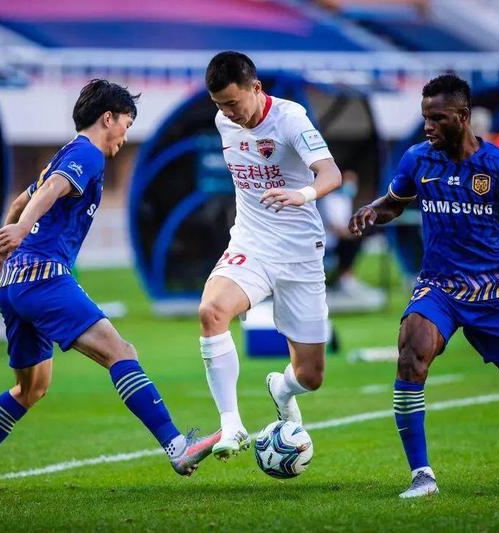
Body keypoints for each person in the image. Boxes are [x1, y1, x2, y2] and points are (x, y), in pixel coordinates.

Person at [0, 79, 219, 494]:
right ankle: (177, 446)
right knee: (121, 353)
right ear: (107, 118)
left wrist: (4, 250)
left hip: (14, 283)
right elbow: (52, 190)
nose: (124, 135)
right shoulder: (87, 153)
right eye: (126, 124)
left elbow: (22, 200)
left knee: (30, 388)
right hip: (43, 276)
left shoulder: (66, 153)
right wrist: (20, 230)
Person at [349, 74, 499, 499]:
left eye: (438, 118)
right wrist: (372, 210)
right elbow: (394, 203)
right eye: (425, 117)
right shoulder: (417, 159)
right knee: (411, 353)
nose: (428, 126)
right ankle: (422, 476)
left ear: (463, 117)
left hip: (493, 296)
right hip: (439, 288)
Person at [200, 51, 342, 459]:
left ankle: (281, 388)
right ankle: (232, 425)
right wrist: (227, 112)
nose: (228, 113)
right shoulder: (223, 121)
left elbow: (330, 172)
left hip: (300, 254)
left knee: (311, 376)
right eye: (220, 105)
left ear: (256, 88)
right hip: (251, 244)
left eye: (233, 103)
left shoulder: (290, 119)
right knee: (211, 311)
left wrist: (302, 194)